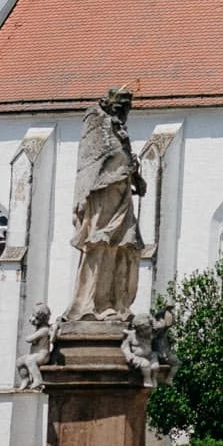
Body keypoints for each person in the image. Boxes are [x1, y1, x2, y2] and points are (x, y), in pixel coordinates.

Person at [67, 87, 144, 319]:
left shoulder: (120, 131)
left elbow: (125, 161)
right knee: (100, 244)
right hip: (103, 195)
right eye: (121, 107)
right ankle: (91, 304)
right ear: (110, 105)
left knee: (125, 247)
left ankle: (117, 303)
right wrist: (81, 197)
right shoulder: (97, 123)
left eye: (127, 109)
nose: (125, 113)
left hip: (122, 197)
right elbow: (89, 163)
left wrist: (136, 177)